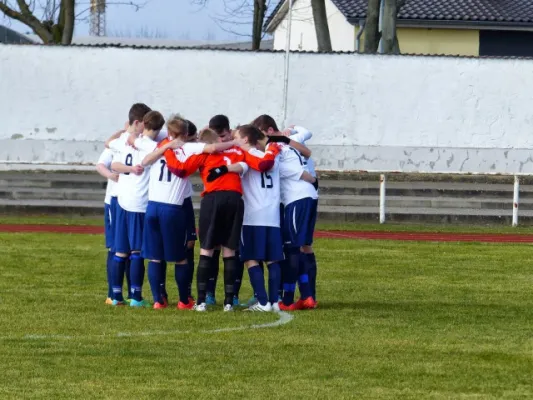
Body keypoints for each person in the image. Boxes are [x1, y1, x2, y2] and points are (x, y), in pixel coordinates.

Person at [163, 128, 247, 312]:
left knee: (206, 250)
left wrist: (168, 150)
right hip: (234, 198)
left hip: (213, 199)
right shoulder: (237, 151)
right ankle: (228, 302)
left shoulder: (203, 153)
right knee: (229, 251)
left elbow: (182, 169)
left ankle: (201, 302)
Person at [210, 125, 284, 312]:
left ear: (245, 139)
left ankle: (263, 302)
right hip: (272, 215)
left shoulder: (248, 156)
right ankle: (275, 302)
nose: (233, 140)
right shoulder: (272, 155)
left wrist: (222, 169)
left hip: (253, 216)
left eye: (236, 137)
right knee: (272, 260)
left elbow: (242, 166)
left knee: (251, 258)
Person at [252, 115, 318, 311]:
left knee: (293, 249)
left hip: (298, 199)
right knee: (302, 247)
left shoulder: (278, 151)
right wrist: (292, 129)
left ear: (269, 132)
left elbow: (299, 173)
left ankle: (289, 298)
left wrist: (312, 179)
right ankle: (307, 295)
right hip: (304, 198)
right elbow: (306, 138)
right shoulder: (288, 143)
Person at [131, 116, 194, 310]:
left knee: (155, 256)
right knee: (180, 257)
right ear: (184, 134)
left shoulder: (156, 147)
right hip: (172, 208)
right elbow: (208, 149)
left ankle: (159, 299)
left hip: (152, 207)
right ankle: (184, 300)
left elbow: (142, 156)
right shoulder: (187, 150)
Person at [108, 107, 164, 307]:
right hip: (139, 203)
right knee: (137, 252)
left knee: (120, 252)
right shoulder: (151, 146)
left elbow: (114, 165)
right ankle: (136, 297)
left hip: (122, 200)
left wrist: (129, 169)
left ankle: (115, 296)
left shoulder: (126, 140)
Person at [95, 146, 120, 305]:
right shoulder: (117, 142)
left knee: (132, 249)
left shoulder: (151, 141)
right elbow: (100, 165)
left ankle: (134, 295)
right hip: (115, 200)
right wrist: (111, 175)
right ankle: (112, 294)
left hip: (137, 202)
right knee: (115, 247)